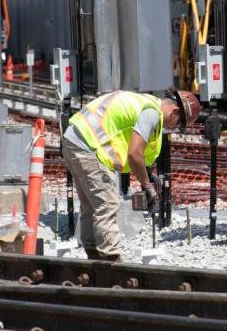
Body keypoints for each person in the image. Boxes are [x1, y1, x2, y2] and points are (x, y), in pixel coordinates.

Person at [62, 89, 201, 261]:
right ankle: (110, 260)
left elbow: (138, 152)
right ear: (175, 112)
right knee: (107, 203)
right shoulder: (151, 113)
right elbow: (135, 154)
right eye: (179, 124)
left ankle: (93, 255)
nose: (174, 128)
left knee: (91, 205)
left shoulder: (148, 104)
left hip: (75, 139)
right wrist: (147, 186)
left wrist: (147, 174)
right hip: (88, 146)